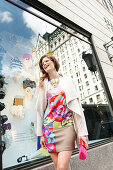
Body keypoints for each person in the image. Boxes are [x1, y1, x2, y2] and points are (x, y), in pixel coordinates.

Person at [35, 54, 88, 170]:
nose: (44, 64)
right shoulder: (42, 85)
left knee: (62, 167)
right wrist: (41, 135)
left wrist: (82, 133)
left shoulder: (68, 81)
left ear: (54, 62)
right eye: (42, 64)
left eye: (46, 61)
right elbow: (39, 111)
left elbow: (77, 108)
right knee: (57, 166)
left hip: (67, 127)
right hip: (49, 130)